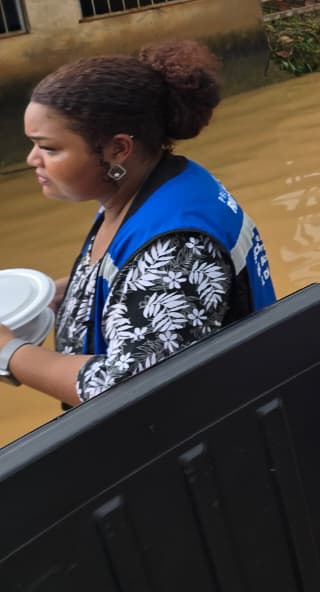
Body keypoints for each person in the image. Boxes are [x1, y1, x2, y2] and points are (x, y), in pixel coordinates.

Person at [0, 41, 275, 405]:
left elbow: (126, 389)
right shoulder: (146, 186)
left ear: (118, 149)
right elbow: (129, 278)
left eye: (49, 148)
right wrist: (56, 295)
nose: (33, 159)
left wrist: (9, 352)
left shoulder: (178, 248)